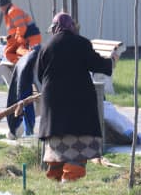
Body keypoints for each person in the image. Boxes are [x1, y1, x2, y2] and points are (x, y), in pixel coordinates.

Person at [33, 12, 113, 183]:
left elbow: (40, 76)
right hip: (79, 108)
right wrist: (111, 61)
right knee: (77, 147)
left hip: (53, 108)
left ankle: (55, 178)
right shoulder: (82, 43)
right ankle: (70, 180)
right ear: (72, 27)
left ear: (55, 28)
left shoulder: (46, 47)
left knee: (57, 147)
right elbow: (97, 64)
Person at [5, 41, 38, 139]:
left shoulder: (25, 54)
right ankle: (28, 131)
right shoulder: (23, 51)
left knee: (24, 104)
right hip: (24, 85)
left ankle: (28, 131)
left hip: (23, 83)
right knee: (25, 104)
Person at [0, 0, 41, 64]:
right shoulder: (9, 14)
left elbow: (21, 27)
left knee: (30, 56)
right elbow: (14, 32)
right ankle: (20, 65)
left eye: (1, 7)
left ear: (4, 5)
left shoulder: (13, 11)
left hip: (31, 38)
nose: (1, 10)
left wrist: (17, 41)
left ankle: (23, 65)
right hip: (26, 38)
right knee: (9, 53)